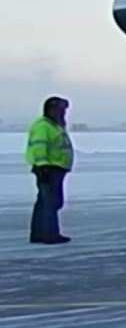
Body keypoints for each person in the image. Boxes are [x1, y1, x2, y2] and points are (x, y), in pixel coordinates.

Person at [25, 96, 73, 245]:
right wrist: (42, 166)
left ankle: (40, 233)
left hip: (55, 168)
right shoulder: (43, 127)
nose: (63, 113)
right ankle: (48, 233)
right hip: (48, 168)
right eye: (61, 110)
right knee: (50, 202)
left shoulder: (55, 126)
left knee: (46, 202)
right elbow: (39, 148)